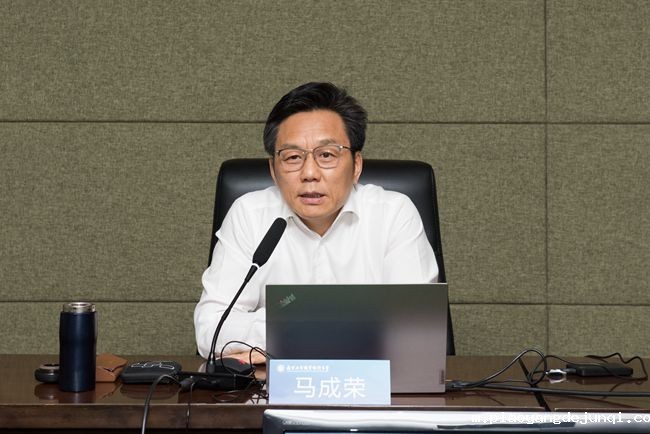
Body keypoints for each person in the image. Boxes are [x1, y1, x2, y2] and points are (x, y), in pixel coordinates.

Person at [194, 82, 438, 363]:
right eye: (293, 157)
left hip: (373, 388)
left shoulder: (393, 214)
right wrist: (350, 328)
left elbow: (415, 332)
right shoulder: (249, 215)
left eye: (326, 155)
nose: (309, 173)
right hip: (272, 389)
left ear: (356, 165)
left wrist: (282, 336)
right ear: (273, 169)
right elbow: (211, 328)